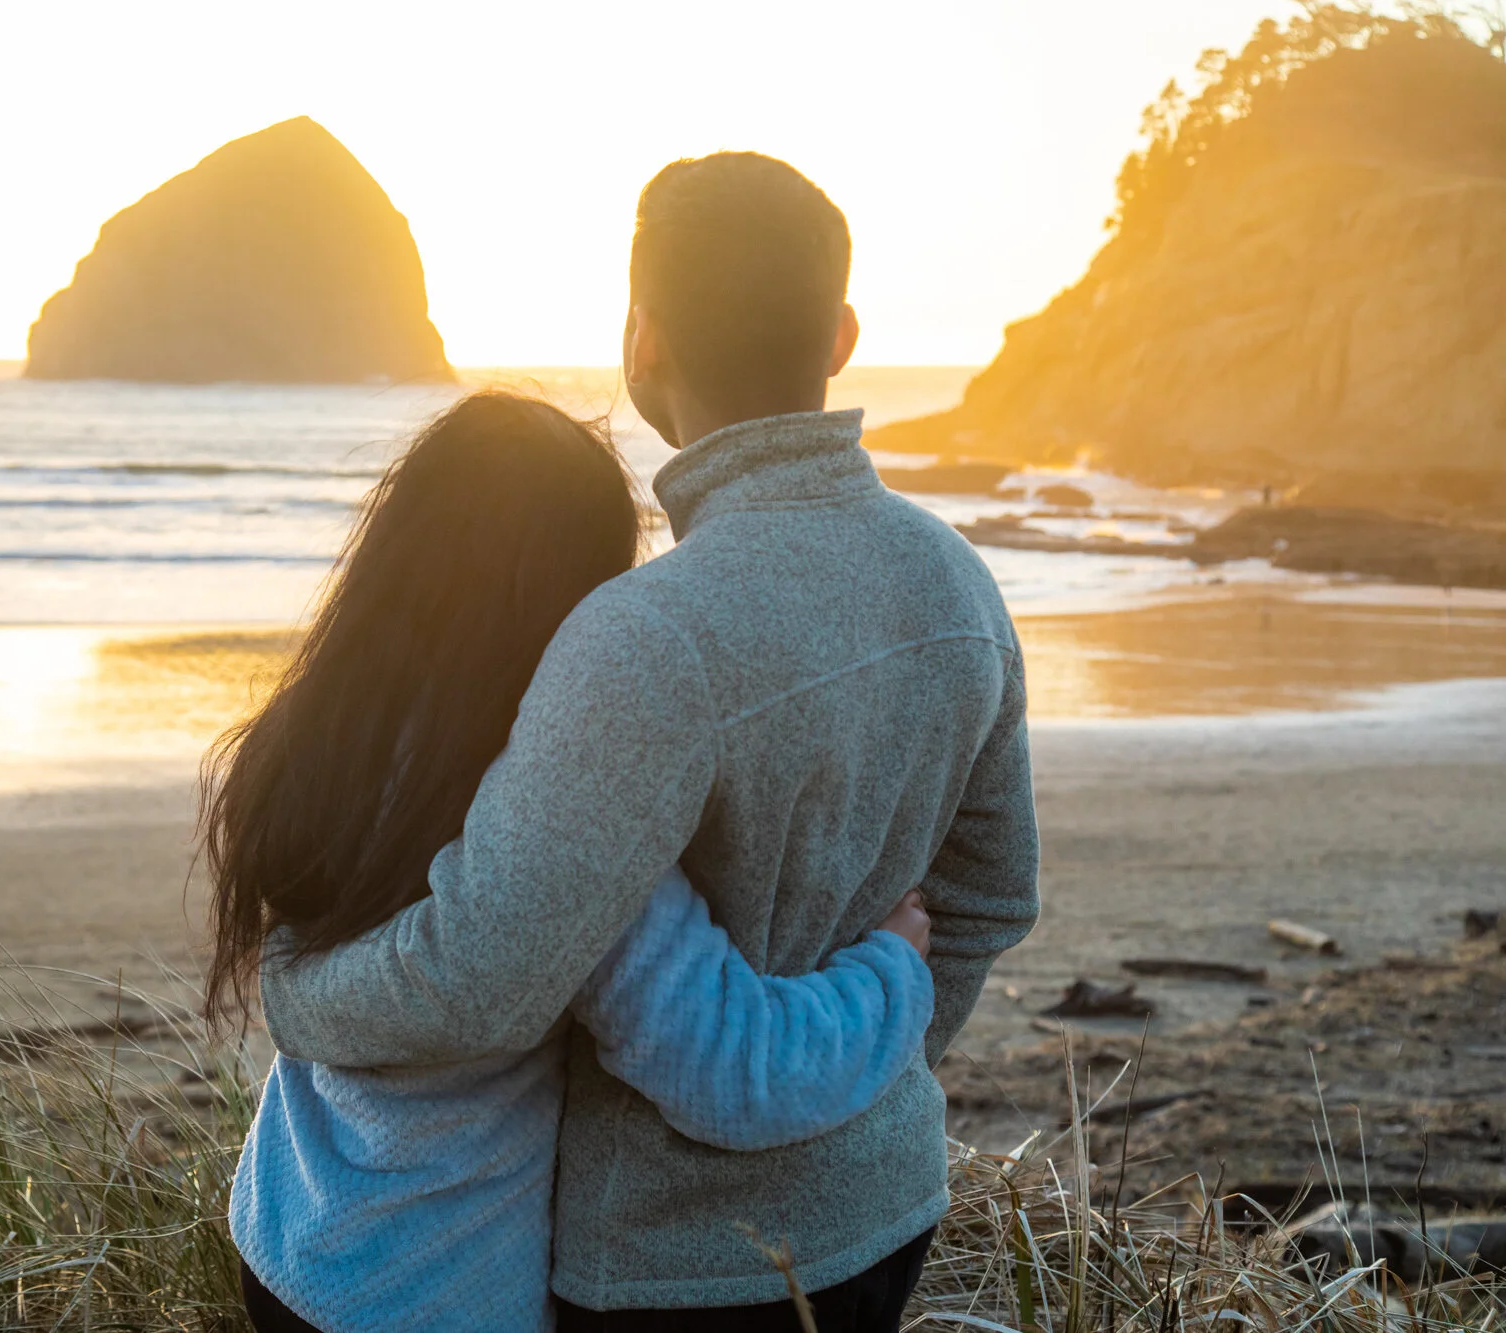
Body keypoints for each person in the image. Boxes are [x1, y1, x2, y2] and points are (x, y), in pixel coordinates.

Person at [254, 152, 1042, 1331]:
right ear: (839, 334)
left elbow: (479, 981)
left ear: (640, 339)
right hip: (887, 1202)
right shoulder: (956, 583)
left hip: (676, 1267)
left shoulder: (643, 639)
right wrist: (869, 1070)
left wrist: (294, 996)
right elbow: (985, 901)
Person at [207, 390, 943, 1333]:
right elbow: (736, 1067)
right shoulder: (554, 822)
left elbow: (304, 962)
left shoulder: (314, 742)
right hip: (434, 1295)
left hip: (283, 1239)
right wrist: (891, 970)